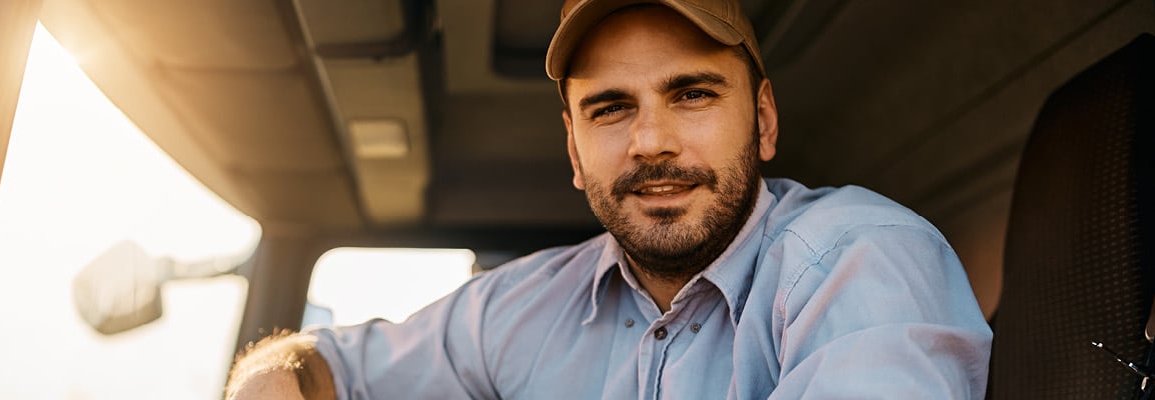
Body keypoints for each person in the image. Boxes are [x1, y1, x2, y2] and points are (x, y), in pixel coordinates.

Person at [225, 0, 993, 398]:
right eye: (611, 108)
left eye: (691, 94)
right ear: (573, 149)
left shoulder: (863, 258)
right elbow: (316, 368)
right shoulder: (520, 308)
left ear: (760, 122)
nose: (651, 140)